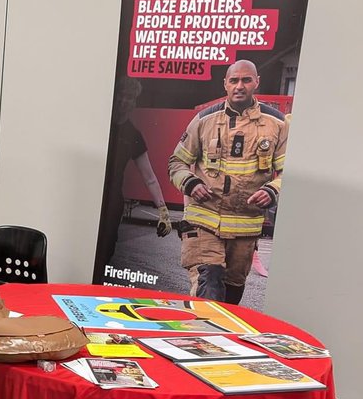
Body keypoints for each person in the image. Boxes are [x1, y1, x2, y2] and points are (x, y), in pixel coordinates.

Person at [168, 59, 287, 304]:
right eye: (234, 80)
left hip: (245, 231)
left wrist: (272, 190)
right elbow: (176, 163)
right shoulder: (204, 120)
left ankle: (217, 342)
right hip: (203, 223)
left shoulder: (277, 124)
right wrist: (191, 183)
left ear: (257, 82)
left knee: (231, 301)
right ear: (225, 84)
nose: (239, 86)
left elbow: (291, 173)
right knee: (208, 287)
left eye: (246, 80)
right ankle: (198, 339)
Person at [98, 75, 172, 268]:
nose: (123, 101)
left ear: (133, 102)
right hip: (89, 196)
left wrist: (163, 211)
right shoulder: (98, 124)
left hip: (112, 202)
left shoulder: (133, 134)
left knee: (106, 253)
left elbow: (149, 178)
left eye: (129, 97)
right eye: (120, 95)